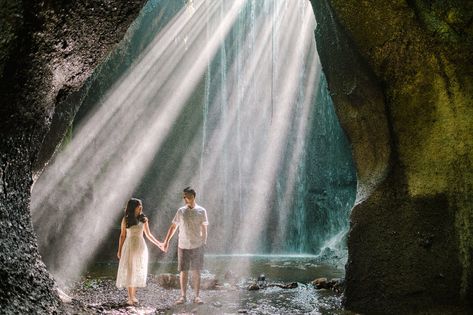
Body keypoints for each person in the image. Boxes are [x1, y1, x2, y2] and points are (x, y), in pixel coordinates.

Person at [163, 187, 208, 305]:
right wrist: (166, 241)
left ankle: (197, 296)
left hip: (197, 245)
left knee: (196, 271)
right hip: (183, 244)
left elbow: (204, 227)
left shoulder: (201, 211)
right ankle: (183, 296)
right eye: (184, 196)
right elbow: (173, 227)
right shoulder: (181, 211)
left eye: (186, 196)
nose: (185, 198)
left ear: (193, 196)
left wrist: (204, 242)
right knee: (183, 271)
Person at [116, 198, 164, 305]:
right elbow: (122, 235)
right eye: (139, 205)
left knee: (137, 269)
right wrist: (119, 250)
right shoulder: (126, 219)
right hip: (129, 246)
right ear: (134, 207)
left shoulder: (143, 219)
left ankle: (134, 296)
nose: (141, 207)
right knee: (130, 270)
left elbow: (148, 235)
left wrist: (159, 244)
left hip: (140, 246)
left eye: (141, 205)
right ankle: (130, 297)